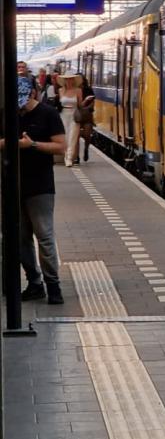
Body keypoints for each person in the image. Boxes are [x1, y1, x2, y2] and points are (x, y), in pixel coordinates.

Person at [16, 76, 65, 304]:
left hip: (40, 185)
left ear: (33, 94)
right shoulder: (9, 113)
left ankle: (53, 286)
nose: (20, 106)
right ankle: (34, 282)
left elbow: (60, 147)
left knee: (44, 236)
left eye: (23, 101)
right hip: (12, 184)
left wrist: (33, 145)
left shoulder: (48, 114)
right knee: (19, 238)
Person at [58, 75, 82, 167]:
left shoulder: (78, 90)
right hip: (63, 114)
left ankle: (69, 158)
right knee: (64, 135)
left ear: (73, 80)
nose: (69, 81)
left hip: (74, 114)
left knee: (73, 136)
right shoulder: (61, 90)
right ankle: (65, 155)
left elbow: (80, 104)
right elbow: (59, 103)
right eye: (67, 79)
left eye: (70, 79)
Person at [74, 74, 95, 163]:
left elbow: (93, 101)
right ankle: (77, 156)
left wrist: (88, 108)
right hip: (76, 115)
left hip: (87, 115)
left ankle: (86, 149)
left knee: (87, 135)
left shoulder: (88, 89)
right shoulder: (73, 90)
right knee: (77, 136)